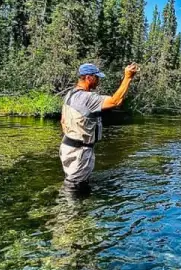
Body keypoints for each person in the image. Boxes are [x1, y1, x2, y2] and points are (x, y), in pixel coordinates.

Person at [59, 62, 138, 193]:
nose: (98, 81)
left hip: (67, 147)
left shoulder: (70, 94)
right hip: (80, 152)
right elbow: (115, 101)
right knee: (74, 188)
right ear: (89, 78)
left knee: (74, 181)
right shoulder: (87, 98)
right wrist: (128, 77)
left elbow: (62, 120)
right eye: (97, 77)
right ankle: (69, 211)